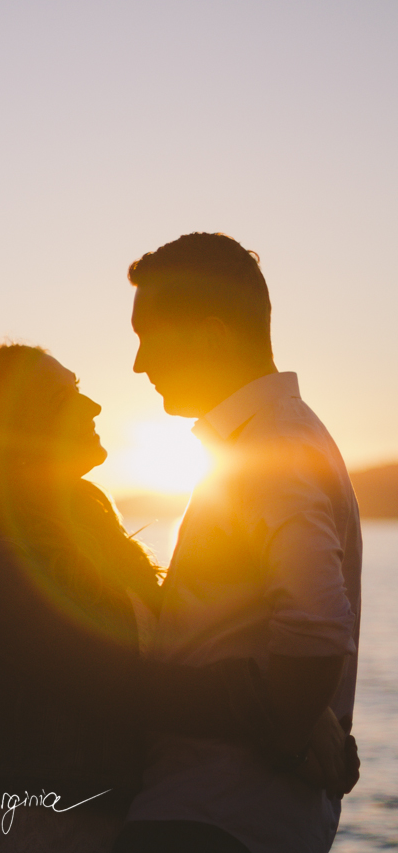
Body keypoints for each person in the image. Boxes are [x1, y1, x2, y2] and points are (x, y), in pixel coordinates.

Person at [0, 343, 276, 853]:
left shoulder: (87, 526)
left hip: (135, 820)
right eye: (67, 395)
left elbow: (178, 644)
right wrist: (282, 710)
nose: (93, 406)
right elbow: (126, 687)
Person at [113, 232, 362, 853]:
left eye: (147, 337)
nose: (139, 364)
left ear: (211, 336)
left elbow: (316, 630)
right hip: (218, 811)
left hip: (217, 818)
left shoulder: (272, 450)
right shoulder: (262, 444)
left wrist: (290, 733)